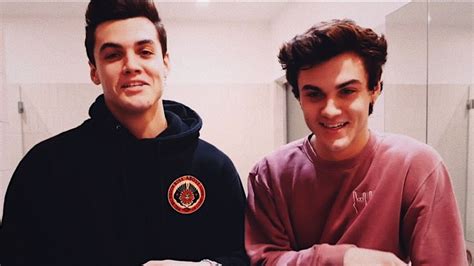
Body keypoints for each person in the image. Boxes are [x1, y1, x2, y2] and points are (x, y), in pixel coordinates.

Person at [0, 0, 248, 265]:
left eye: (144, 51)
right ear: (94, 71)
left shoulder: (214, 167)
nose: (131, 65)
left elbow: (244, 256)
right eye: (113, 55)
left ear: (165, 63)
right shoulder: (44, 168)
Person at [245, 19, 468, 265]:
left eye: (347, 91)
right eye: (314, 94)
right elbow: (265, 260)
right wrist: (342, 259)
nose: (330, 110)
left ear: (375, 89)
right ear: (299, 97)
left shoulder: (417, 167)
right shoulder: (269, 174)